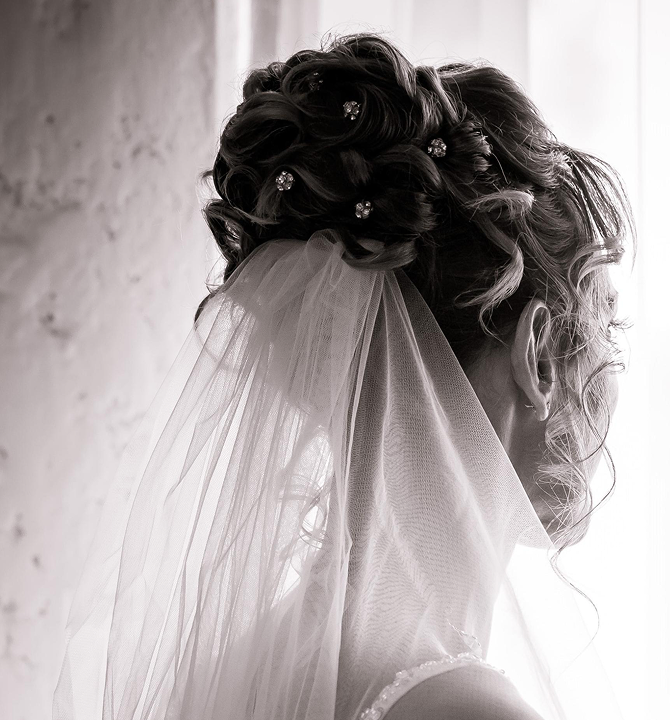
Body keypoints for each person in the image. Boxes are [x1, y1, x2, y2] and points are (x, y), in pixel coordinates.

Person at [54, 32, 633, 720]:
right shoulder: (470, 711)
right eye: (606, 331)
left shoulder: (240, 663)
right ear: (538, 356)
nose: (610, 375)